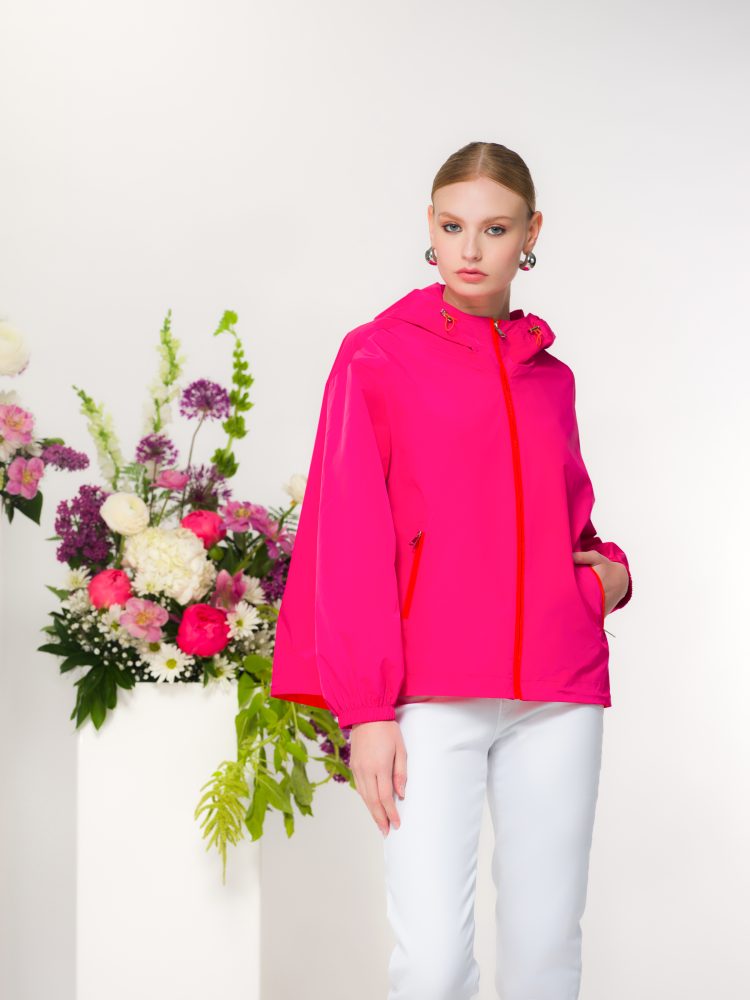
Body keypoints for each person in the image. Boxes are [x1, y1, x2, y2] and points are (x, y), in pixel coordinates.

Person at [271, 140, 633, 1000]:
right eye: (452, 226)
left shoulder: (551, 378)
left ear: (530, 233)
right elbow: (348, 536)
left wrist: (609, 577)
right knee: (432, 963)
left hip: (557, 694)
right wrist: (366, 710)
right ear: (429, 229)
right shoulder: (376, 356)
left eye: (495, 229)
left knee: (547, 953)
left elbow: (568, 521)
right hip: (428, 698)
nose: (470, 250)